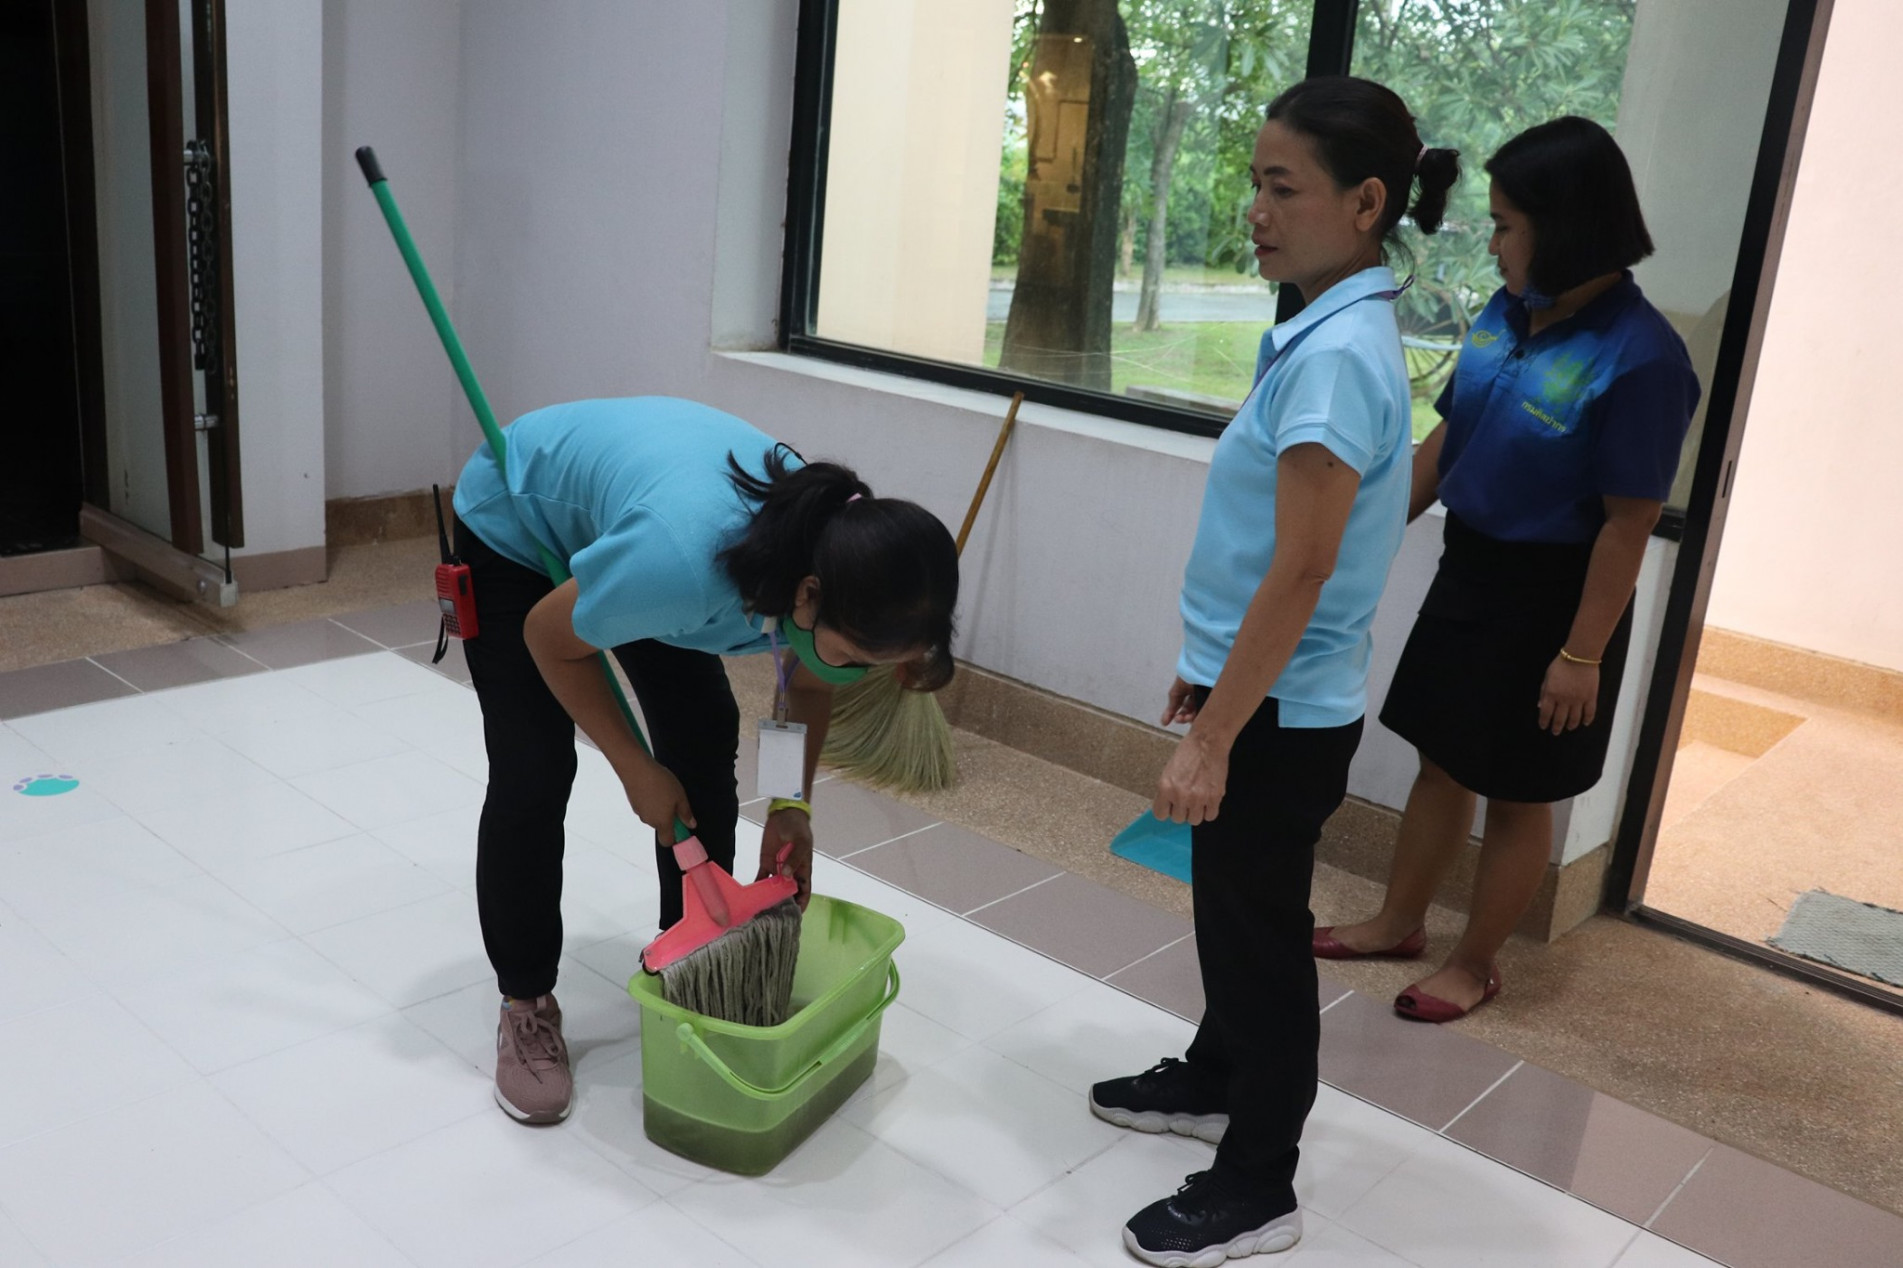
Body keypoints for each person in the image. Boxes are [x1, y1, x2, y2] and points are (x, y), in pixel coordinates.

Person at [1089, 78, 1458, 1264]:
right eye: (1253, 180)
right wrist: (1205, 679)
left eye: (1280, 185)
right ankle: (1212, 1073)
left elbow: (1301, 570)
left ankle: (1259, 1179)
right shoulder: (1320, 329)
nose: (1254, 207)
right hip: (1263, 690)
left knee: (1257, 932)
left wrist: (1211, 736)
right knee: (1231, 911)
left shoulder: (1339, 357)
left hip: (1283, 712)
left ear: (1363, 203)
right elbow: (1293, 556)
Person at [449, 396, 958, 1124]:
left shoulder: (839, 562)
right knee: (535, 767)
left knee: (701, 734)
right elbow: (548, 637)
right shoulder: (681, 566)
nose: (849, 671)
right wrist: (633, 770)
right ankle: (524, 1003)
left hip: (638, 533)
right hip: (519, 529)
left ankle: (690, 965)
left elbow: (810, 678)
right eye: (853, 655)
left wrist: (792, 808)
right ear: (808, 598)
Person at [1314, 117, 1700, 1023]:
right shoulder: (1505, 313)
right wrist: (1361, 536)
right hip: (1471, 572)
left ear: (1561, 229)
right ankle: (1397, 921)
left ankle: (1474, 961)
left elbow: (1629, 523)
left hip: (1559, 599)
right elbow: (1450, 440)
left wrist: (1581, 656)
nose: (1490, 244)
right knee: (1439, 763)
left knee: (1519, 794)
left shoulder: (1641, 359)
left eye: (1503, 225)